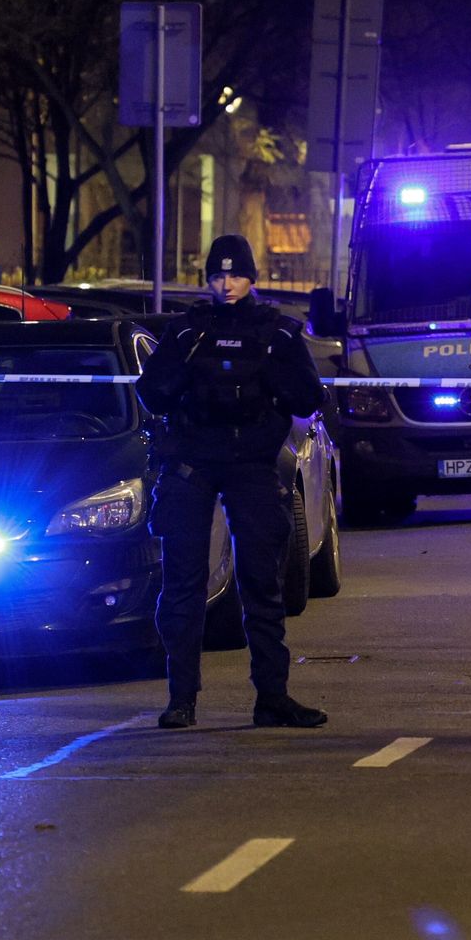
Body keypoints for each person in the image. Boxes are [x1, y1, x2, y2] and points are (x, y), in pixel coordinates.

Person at [135, 235, 331, 730]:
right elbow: (152, 395)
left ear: (252, 277)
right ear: (208, 279)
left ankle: (273, 697)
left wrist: (269, 381)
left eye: (236, 275)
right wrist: (187, 380)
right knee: (183, 584)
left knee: (262, 583)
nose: (227, 285)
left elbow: (309, 397)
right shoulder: (187, 333)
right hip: (193, 463)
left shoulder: (277, 333)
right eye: (218, 276)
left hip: (251, 464)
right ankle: (182, 699)